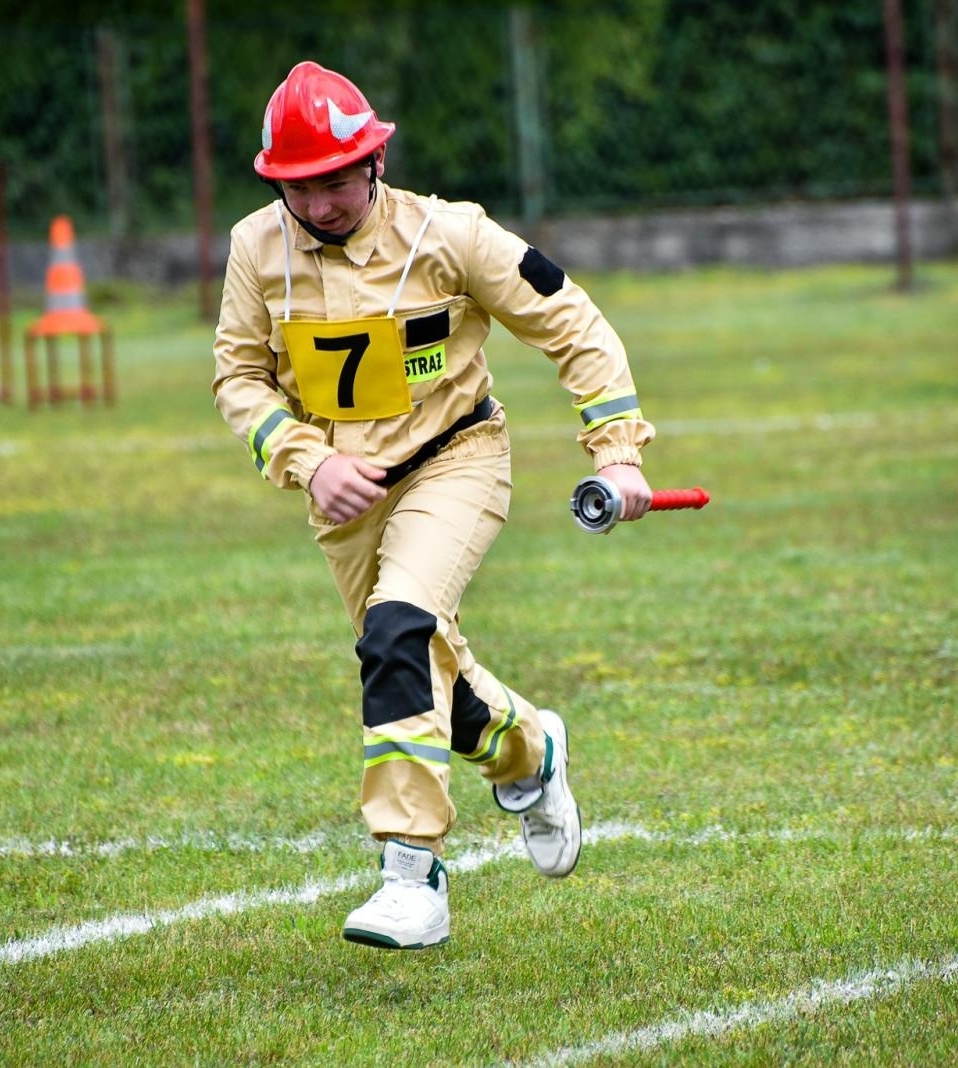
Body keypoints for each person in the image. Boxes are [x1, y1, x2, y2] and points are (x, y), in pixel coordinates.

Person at [212, 61, 655, 949]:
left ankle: (411, 874)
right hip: (341, 498)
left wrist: (618, 450)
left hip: (458, 459)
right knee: (427, 684)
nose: (325, 201)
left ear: (374, 162)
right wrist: (306, 459)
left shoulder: (451, 235)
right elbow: (239, 376)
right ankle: (532, 753)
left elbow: (573, 322)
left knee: (395, 634)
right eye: (303, 187)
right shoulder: (254, 248)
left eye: (339, 178)